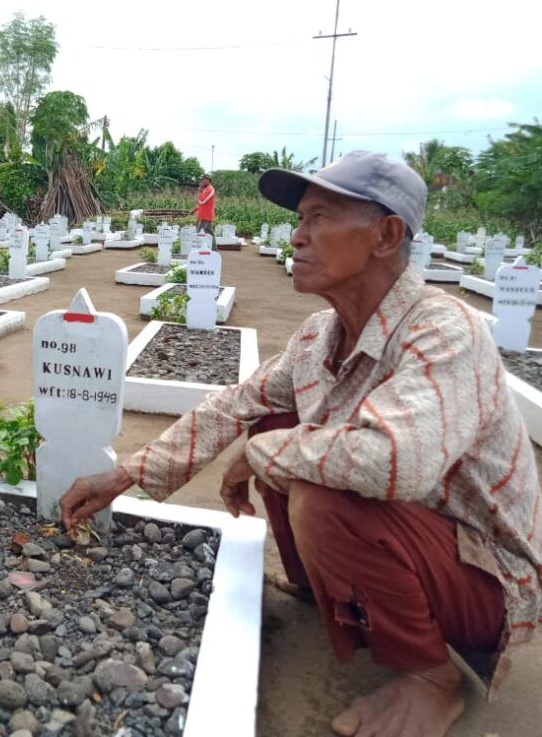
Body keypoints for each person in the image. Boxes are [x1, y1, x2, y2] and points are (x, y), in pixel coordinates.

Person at [60, 151, 541, 737]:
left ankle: (429, 677)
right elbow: (233, 404)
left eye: (317, 218)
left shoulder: (444, 329)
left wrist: (265, 452)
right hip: (417, 528)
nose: (297, 236)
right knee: (274, 424)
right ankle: (331, 587)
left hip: (481, 572)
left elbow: (397, 463)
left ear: (386, 235)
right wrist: (126, 474)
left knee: (310, 478)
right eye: (300, 220)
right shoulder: (321, 335)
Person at [195, 174, 216, 246]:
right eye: (201, 180)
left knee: (202, 232)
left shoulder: (210, 189)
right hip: (202, 215)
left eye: (203, 180)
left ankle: (212, 249)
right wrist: (195, 209)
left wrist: (200, 191)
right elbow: (201, 204)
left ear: (208, 180)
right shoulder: (206, 189)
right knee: (208, 232)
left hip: (206, 216)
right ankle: (213, 249)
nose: (201, 181)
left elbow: (202, 201)